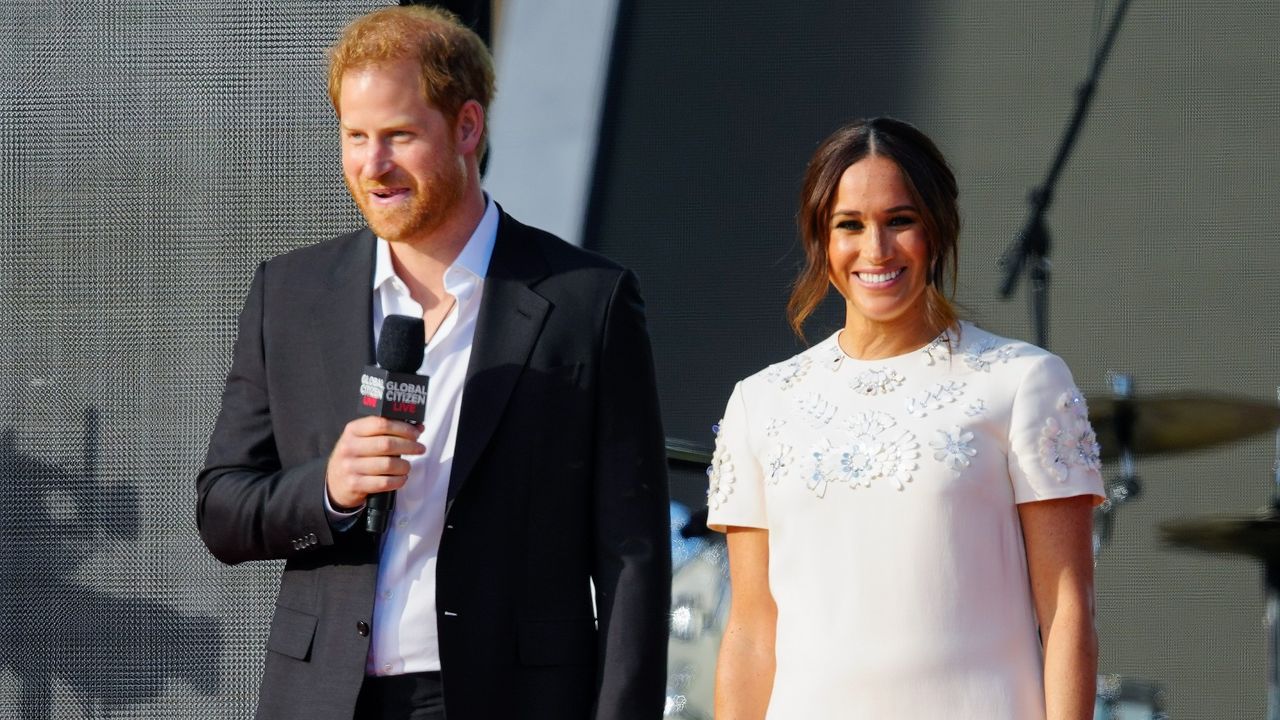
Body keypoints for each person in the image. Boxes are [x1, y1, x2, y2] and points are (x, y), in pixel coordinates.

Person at [196, 7, 670, 719]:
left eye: (398, 136)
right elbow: (222, 509)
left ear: (468, 128)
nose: (372, 165)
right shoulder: (290, 295)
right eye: (355, 137)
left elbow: (633, 554)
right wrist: (329, 489)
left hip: (512, 699)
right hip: (325, 698)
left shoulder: (585, 302)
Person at [708, 117, 1102, 719]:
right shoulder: (761, 403)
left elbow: (1068, 610)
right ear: (821, 239)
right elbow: (751, 633)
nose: (876, 250)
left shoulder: (1023, 382)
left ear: (938, 229)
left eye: (900, 221)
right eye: (850, 225)